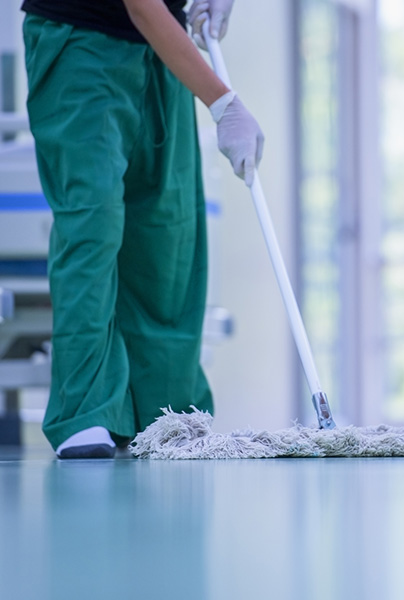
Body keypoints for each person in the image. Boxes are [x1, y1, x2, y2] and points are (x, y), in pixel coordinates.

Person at [21, 0, 263, 458]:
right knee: (93, 224)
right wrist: (223, 103)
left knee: (166, 234)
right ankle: (85, 413)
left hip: (159, 49)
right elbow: (142, 6)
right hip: (79, 41)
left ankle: (166, 416)